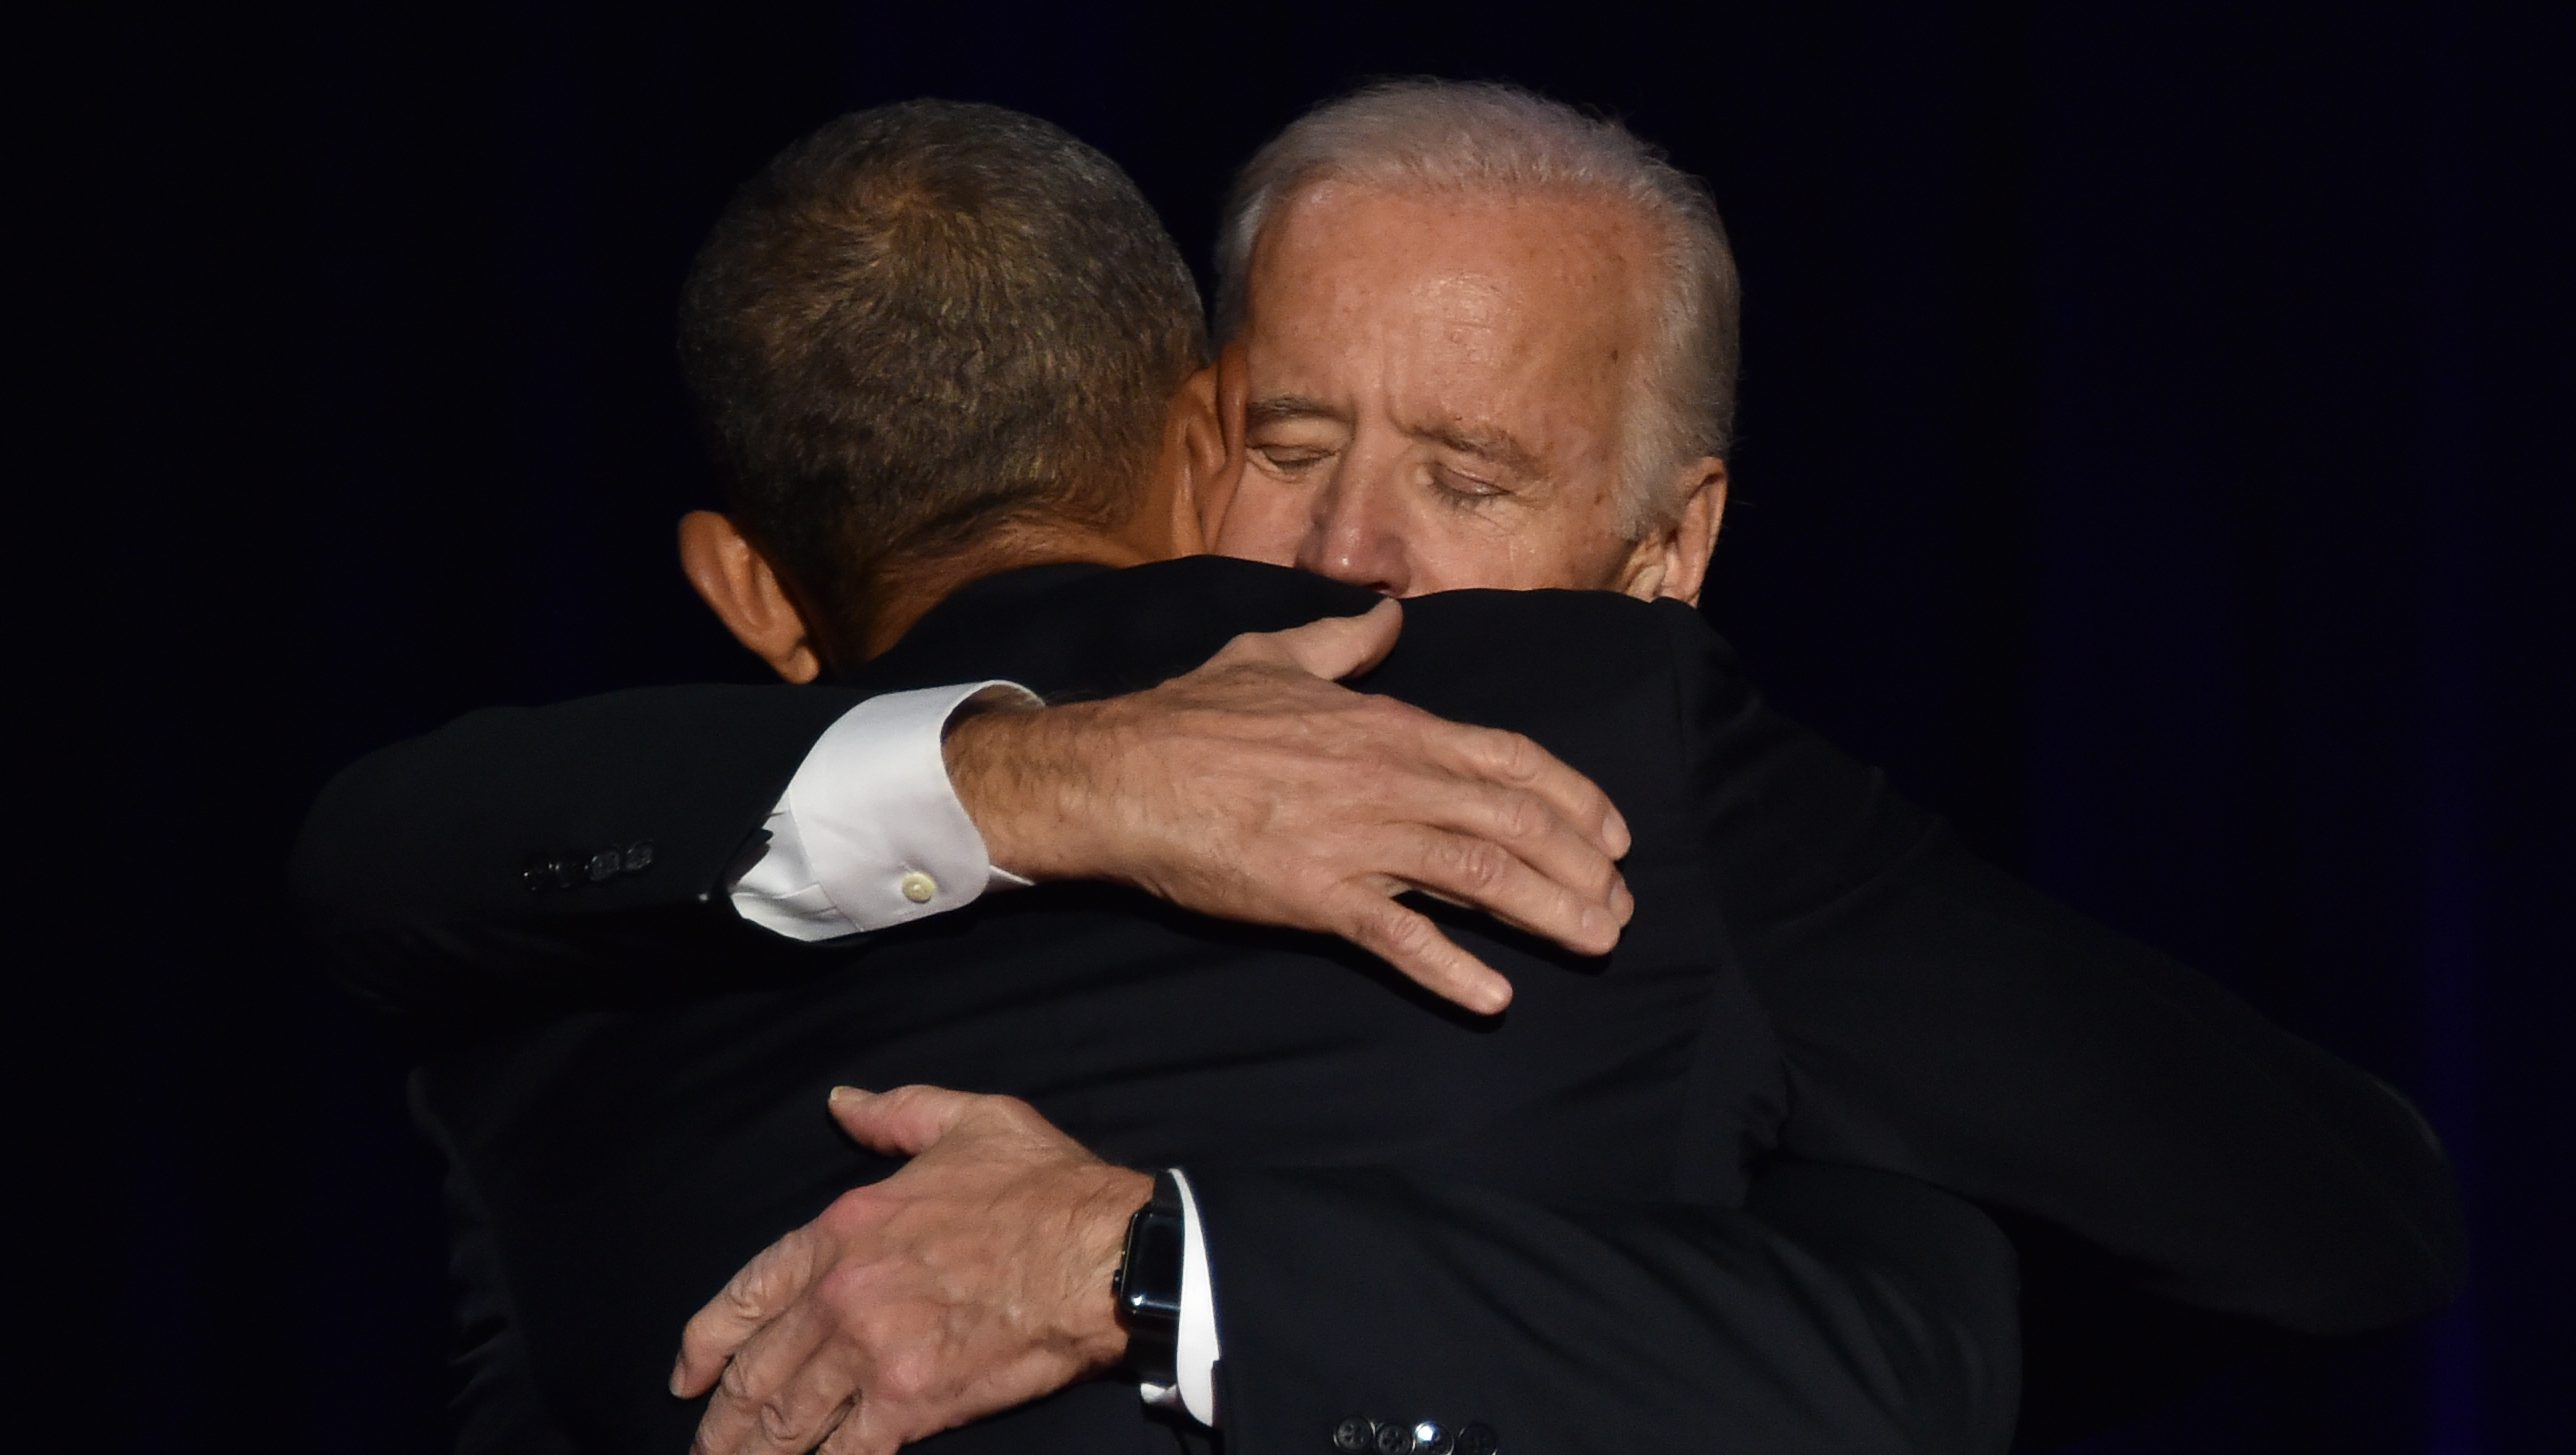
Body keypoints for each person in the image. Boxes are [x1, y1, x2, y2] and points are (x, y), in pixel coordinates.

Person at [298, 89, 2462, 1454]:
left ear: (1668, 551)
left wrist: (1157, 1266)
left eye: (1468, 474)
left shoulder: (1635, 773)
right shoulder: (616, 900)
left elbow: (2282, 1229)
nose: (1347, 560)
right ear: (1185, 437)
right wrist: (1052, 781)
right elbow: (393, 854)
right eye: (1299, 449)